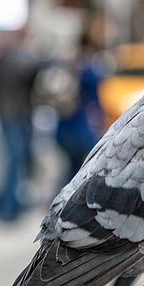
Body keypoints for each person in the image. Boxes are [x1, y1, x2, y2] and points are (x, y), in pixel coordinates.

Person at [0, 30, 39, 221]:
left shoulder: (1, 59)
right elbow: (31, 73)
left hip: (6, 114)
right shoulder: (18, 59)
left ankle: (11, 206)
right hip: (16, 115)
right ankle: (8, 209)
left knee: (12, 161)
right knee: (15, 162)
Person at [55, 14, 108, 187]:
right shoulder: (90, 63)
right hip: (80, 124)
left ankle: (59, 202)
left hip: (66, 122)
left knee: (72, 168)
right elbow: (94, 95)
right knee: (78, 170)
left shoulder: (72, 60)